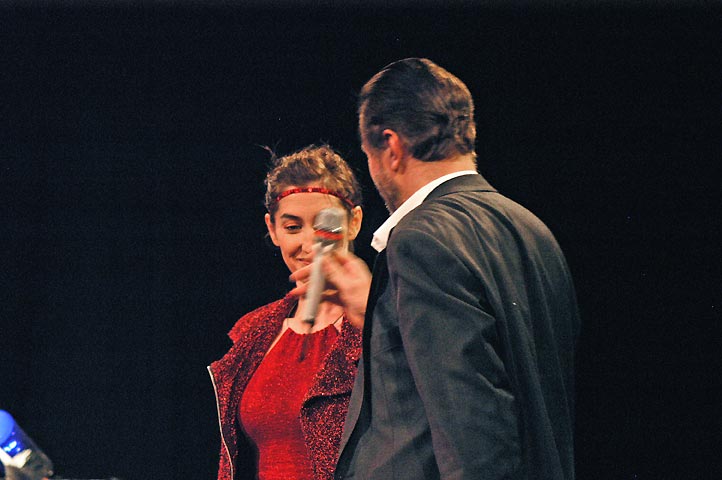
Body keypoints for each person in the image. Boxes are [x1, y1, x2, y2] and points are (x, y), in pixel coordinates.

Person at [307, 58, 581, 479]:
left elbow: (473, 431)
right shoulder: (533, 230)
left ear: (391, 147)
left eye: (369, 155)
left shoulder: (420, 239)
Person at [208, 144, 365, 480]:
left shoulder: (382, 321)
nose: (309, 244)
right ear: (273, 229)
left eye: (325, 226)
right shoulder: (253, 331)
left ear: (353, 223)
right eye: (293, 227)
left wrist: (369, 315)